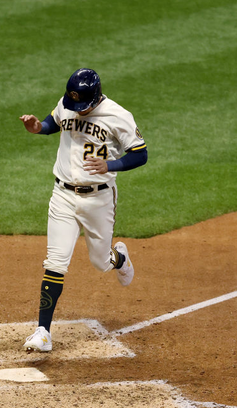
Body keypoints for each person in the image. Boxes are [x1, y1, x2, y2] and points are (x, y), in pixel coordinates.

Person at [19, 68, 148, 351]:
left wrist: (110, 165)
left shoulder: (118, 116)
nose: (77, 110)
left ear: (96, 96)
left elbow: (141, 155)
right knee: (55, 261)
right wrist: (38, 127)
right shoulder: (68, 103)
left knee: (100, 262)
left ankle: (121, 258)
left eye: (82, 106)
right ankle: (43, 332)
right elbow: (54, 122)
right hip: (62, 195)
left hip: (98, 200)